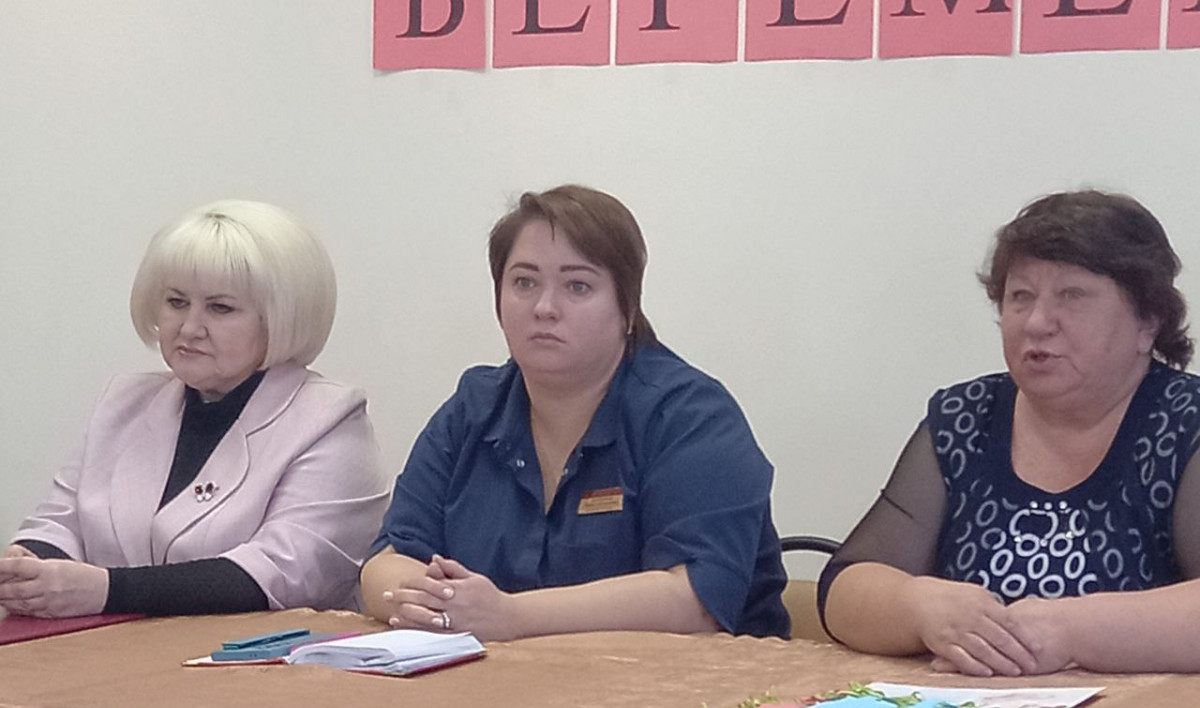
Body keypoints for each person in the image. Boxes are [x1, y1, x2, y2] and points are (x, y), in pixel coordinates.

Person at [361, 184, 789, 641]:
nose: (545, 308)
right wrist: (440, 603)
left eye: (577, 286)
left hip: (691, 680)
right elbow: (385, 563)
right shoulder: (473, 409)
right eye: (524, 283)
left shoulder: (690, 416)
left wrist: (509, 616)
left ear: (627, 307)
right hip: (498, 677)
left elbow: (694, 601)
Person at [819, 189, 1200, 676]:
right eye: (1021, 297)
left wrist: (1070, 632)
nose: (1038, 323)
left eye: (1072, 296)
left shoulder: (1185, 423)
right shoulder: (965, 419)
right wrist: (920, 607)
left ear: (1148, 322)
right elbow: (844, 586)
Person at [2, 199, 387, 620]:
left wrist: (107, 590)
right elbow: (59, 523)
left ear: (280, 318)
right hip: (109, 647)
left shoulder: (329, 418)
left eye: (220, 308)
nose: (189, 328)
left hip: (262, 655)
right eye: (176, 302)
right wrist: (27, 566)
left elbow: (281, 575)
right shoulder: (123, 400)